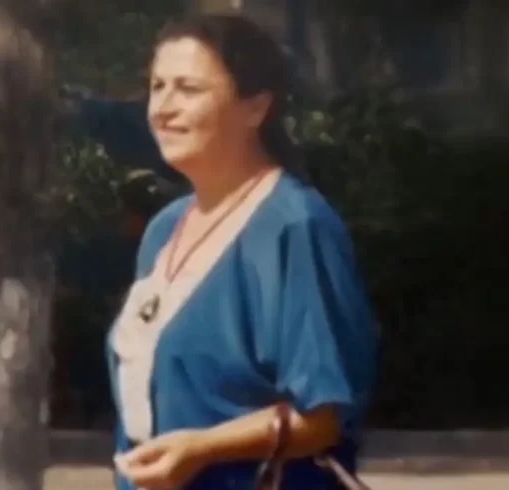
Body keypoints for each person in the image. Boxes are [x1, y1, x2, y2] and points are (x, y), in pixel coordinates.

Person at [105, 14, 378, 490]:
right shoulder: (164, 230)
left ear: (256, 107)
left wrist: (203, 448)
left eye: (188, 89)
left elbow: (323, 417)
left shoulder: (294, 226)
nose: (163, 108)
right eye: (157, 87)